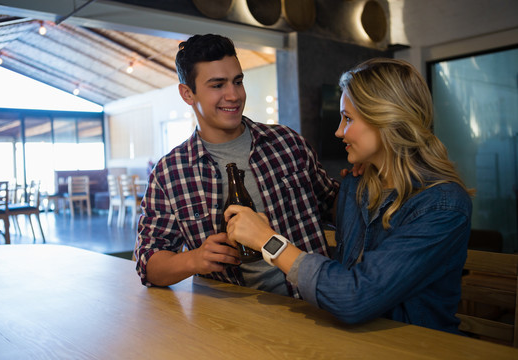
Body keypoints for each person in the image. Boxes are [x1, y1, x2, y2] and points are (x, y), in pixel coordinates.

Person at [224, 58, 474, 334]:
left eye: (348, 118)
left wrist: (268, 241)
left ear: (386, 119)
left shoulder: (442, 206)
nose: (339, 131)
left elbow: (353, 297)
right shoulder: (357, 186)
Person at [135, 34, 339, 298]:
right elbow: (148, 264)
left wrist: (365, 182)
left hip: (313, 305)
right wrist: (195, 259)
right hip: (230, 321)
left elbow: (334, 205)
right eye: (217, 85)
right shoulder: (169, 173)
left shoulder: (288, 143)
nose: (233, 95)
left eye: (238, 81)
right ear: (187, 93)